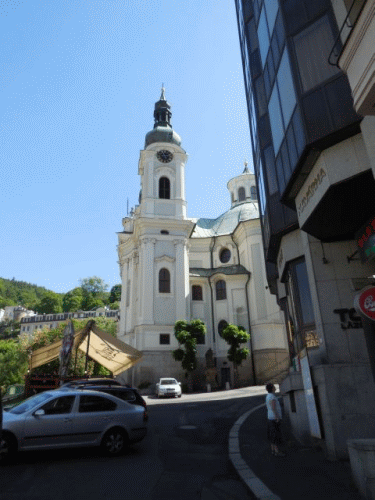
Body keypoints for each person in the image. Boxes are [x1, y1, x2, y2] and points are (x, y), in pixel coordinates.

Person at [266, 382, 285, 457]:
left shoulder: (268, 396)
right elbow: (273, 408)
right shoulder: (272, 397)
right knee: (276, 435)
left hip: (270, 417)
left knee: (271, 435)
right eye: (274, 387)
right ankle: (277, 451)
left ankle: (273, 450)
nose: (275, 388)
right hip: (274, 418)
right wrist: (277, 417)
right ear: (272, 388)